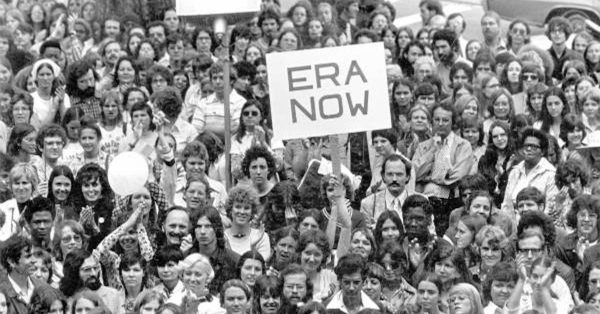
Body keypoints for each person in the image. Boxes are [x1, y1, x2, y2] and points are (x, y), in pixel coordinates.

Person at [412, 101, 474, 236]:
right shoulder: (423, 146)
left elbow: (457, 177)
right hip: (426, 201)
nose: (440, 123)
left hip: (451, 202)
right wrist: (432, 151)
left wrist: (428, 177)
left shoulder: (463, 146)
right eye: (437, 119)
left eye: (445, 120)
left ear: (453, 122)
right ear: (431, 121)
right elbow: (413, 174)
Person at [501, 127, 558, 217]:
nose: (528, 149)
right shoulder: (515, 172)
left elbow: (550, 209)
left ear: (542, 151)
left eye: (534, 147)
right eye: (526, 146)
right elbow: (507, 205)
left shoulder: (550, 174)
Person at [223, 185, 271, 260]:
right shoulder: (222, 237)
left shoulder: (262, 237)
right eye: (238, 207)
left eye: (246, 208)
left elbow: (259, 267)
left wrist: (253, 247)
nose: (242, 212)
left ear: (252, 211)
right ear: (230, 209)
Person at [0, 163, 38, 241]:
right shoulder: (2, 208)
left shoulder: (41, 208)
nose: (21, 187)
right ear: (11, 186)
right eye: (17, 183)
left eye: (25, 183)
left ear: (32, 185)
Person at [0, 235, 35, 314]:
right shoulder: (2, 293)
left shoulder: (41, 287)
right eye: (28, 256)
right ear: (11, 262)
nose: (34, 260)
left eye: (33, 255)